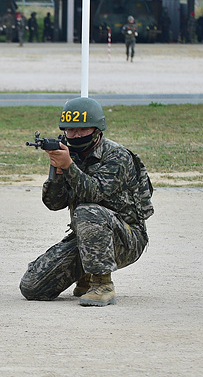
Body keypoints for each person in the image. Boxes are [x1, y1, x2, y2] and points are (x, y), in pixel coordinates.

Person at [20, 97, 154, 306]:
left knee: (87, 211)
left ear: (97, 129)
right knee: (32, 287)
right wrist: (57, 173)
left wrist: (69, 167)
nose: (76, 135)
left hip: (127, 238)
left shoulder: (117, 156)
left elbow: (94, 192)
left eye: (82, 129)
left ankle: (102, 284)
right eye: (71, 130)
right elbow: (54, 204)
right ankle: (85, 275)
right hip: (87, 237)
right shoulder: (70, 153)